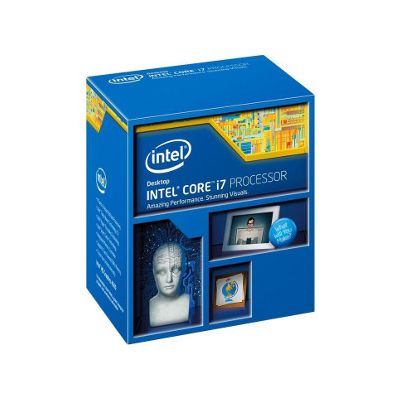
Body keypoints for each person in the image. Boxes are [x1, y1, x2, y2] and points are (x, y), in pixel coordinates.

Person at [149, 243, 190, 327]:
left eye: (175, 270)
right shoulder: (149, 305)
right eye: (161, 272)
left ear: (184, 270)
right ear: (154, 273)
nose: (169, 279)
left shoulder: (191, 302)